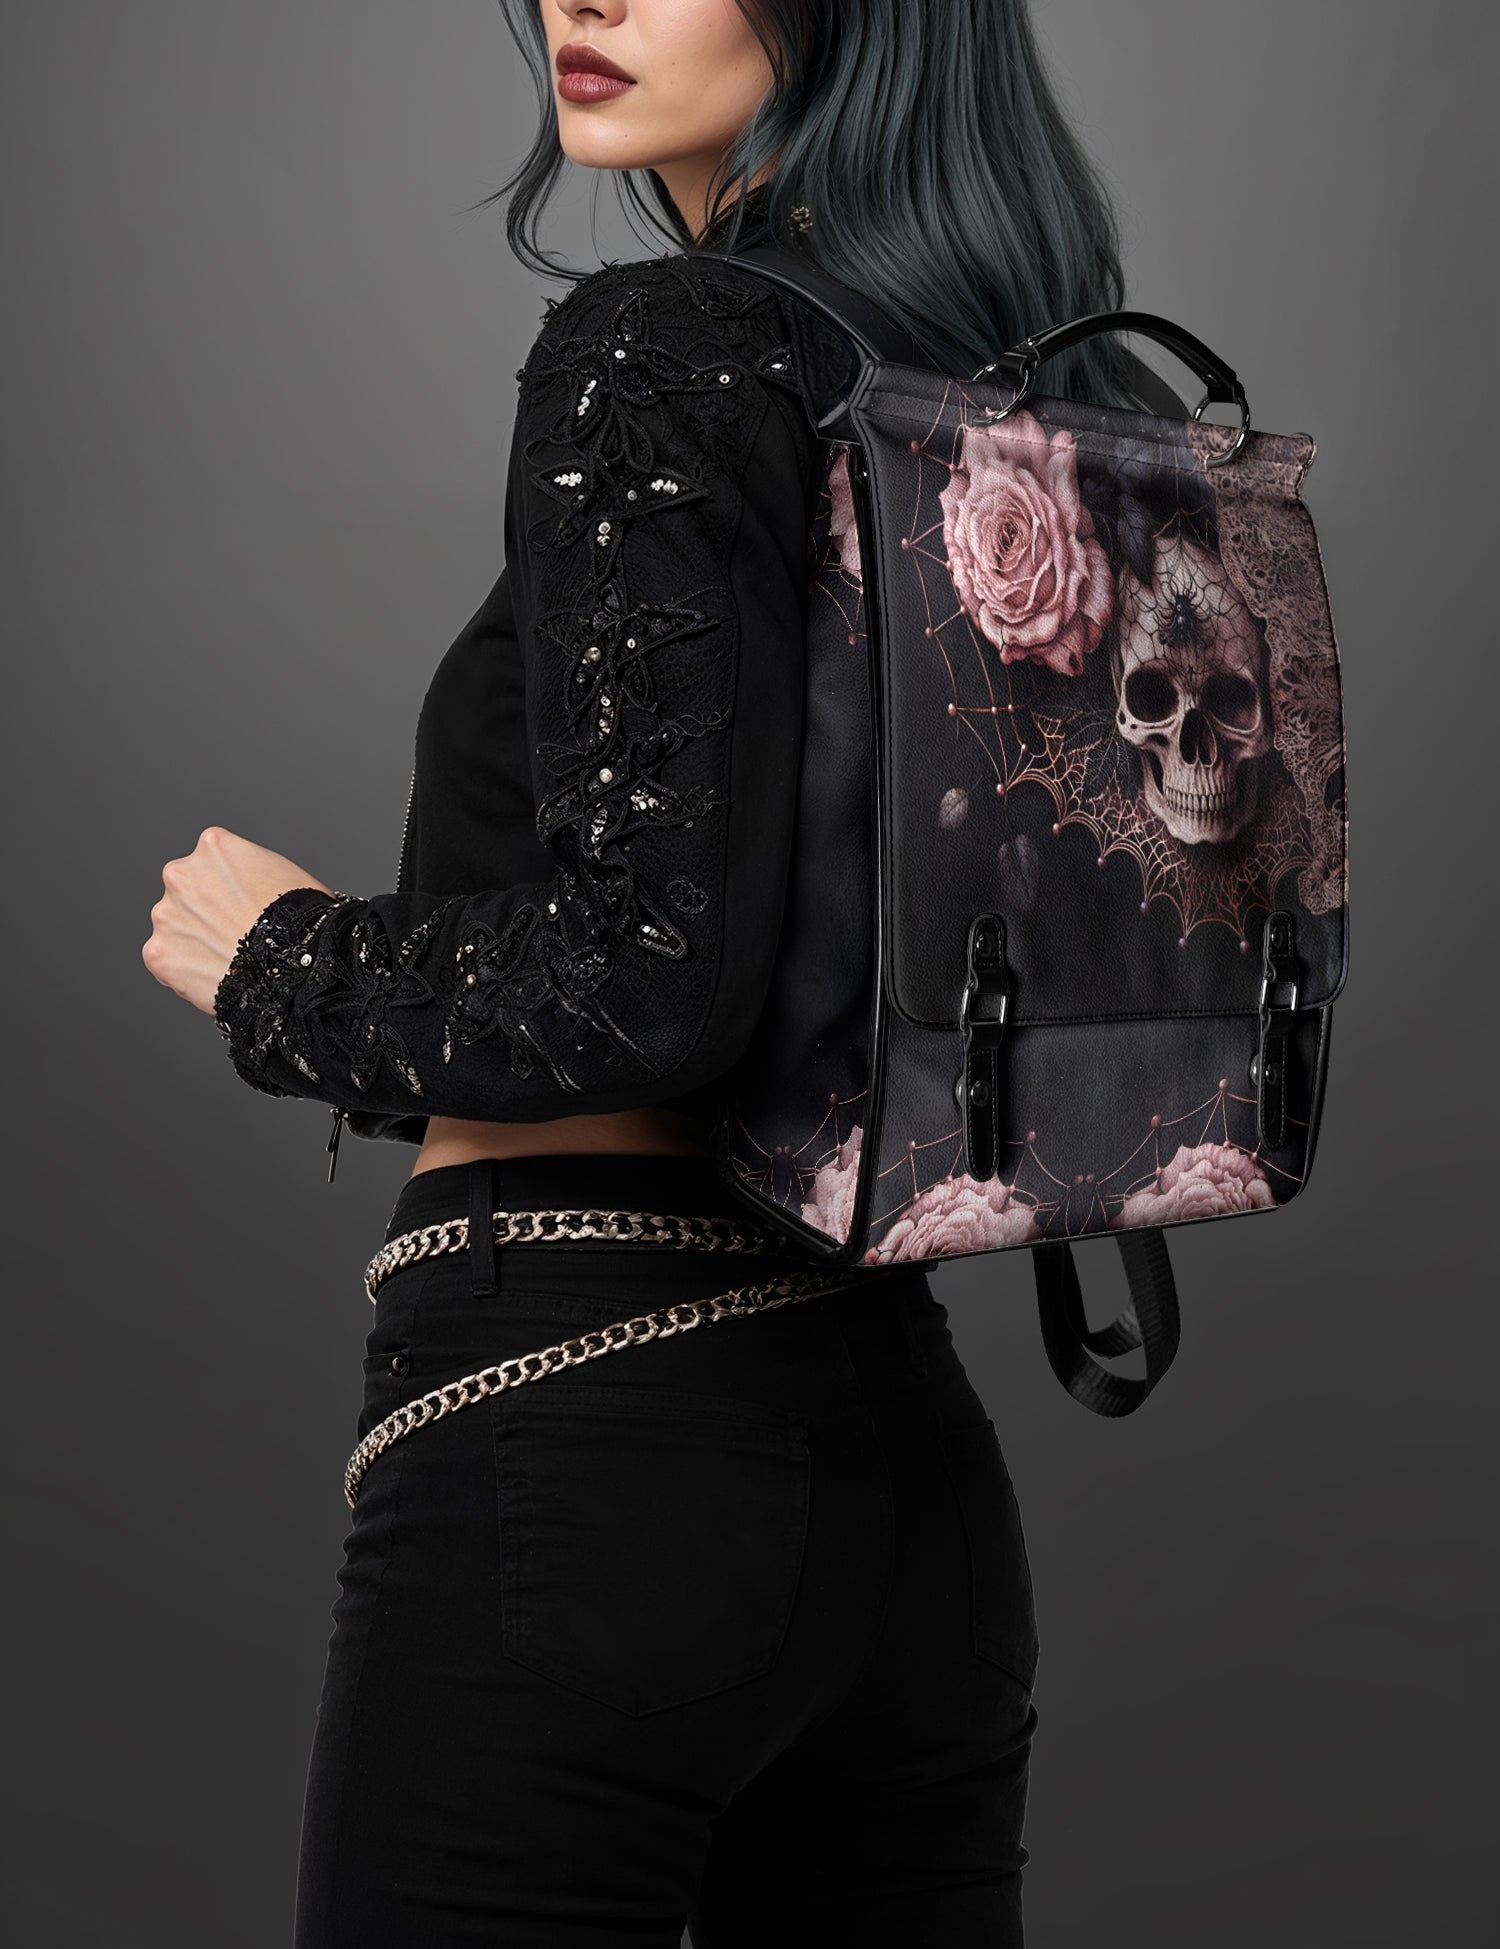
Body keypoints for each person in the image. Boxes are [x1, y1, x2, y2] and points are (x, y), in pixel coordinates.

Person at [142, 4, 1142, 1941]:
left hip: (589, 1441)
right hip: (912, 1483)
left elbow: (644, 983)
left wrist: (282, 963)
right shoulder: (996, 387)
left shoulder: (669, 347)